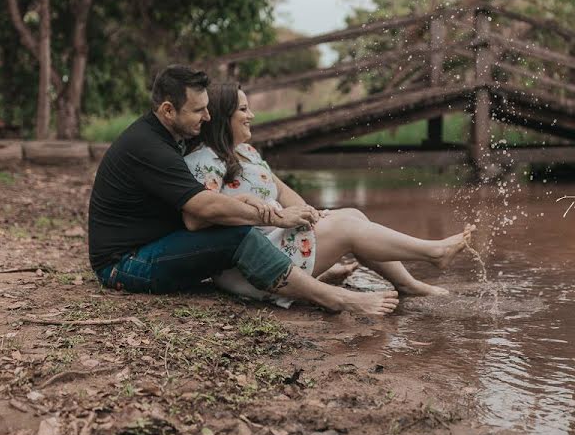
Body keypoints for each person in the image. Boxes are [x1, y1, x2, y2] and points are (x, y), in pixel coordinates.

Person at [183, 82, 475, 308]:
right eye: (244, 109)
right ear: (223, 117)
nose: (252, 115)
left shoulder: (246, 152)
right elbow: (199, 216)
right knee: (347, 227)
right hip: (251, 267)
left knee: (352, 214)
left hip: (276, 241)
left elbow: (281, 189)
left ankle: (409, 284)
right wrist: (267, 213)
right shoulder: (204, 161)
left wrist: (310, 212)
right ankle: (432, 252)